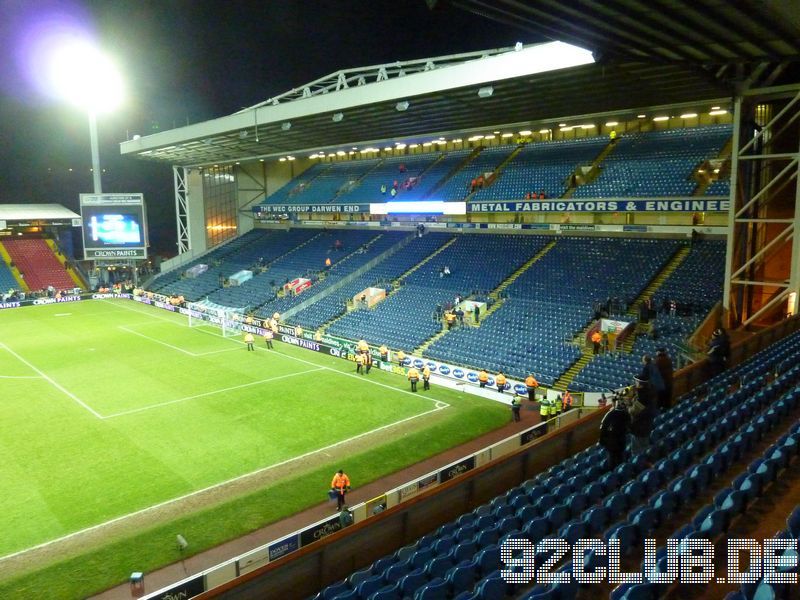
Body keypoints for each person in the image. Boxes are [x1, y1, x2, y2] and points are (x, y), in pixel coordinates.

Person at [599, 395, 631, 470]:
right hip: (621, 441)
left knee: (612, 460)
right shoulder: (626, 414)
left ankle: (613, 472)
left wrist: (602, 440)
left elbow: (603, 428)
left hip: (612, 443)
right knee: (620, 458)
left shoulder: (610, 415)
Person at [629, 376, 656, 456]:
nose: (635, 383)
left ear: (640, 385)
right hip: (647, 425)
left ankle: (640, 464)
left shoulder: (642, 397)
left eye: (636, 382)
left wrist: (628, 406)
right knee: (645, 446)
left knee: (637, 451)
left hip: (639, 428)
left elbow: (633, 412)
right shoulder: (650, 392)